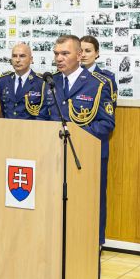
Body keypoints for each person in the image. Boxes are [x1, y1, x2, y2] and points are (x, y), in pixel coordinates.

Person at [48, 35, 115, 257]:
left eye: (65, 54)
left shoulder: (98, 84)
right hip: (56, 155)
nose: (59, 58)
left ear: (79, 56)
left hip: (87, 155)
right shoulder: (50, 82)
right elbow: (42, 118)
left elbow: (106, 124)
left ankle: (93, 242)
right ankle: (62, 241)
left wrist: (76, 135)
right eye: (56, 54)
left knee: (91, 202)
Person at [79, 35, 118, 247]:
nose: (83, 55)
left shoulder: (106, 80)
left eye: (88, 51)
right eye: (81, 51)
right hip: (69, 148)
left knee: (96, 197)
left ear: (97, 53)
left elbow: (107, 117)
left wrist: (81, 133)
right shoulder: (67, 78)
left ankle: (96, 241)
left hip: (95, 146)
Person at [0, 43, 49, 120]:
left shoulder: (41, 82)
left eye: (22, 56)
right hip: (8, 126)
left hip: (32, 126)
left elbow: (44, 114)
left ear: (31, 59)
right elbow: (3, 109)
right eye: (14, 56)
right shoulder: (4, 80)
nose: (17, 60)